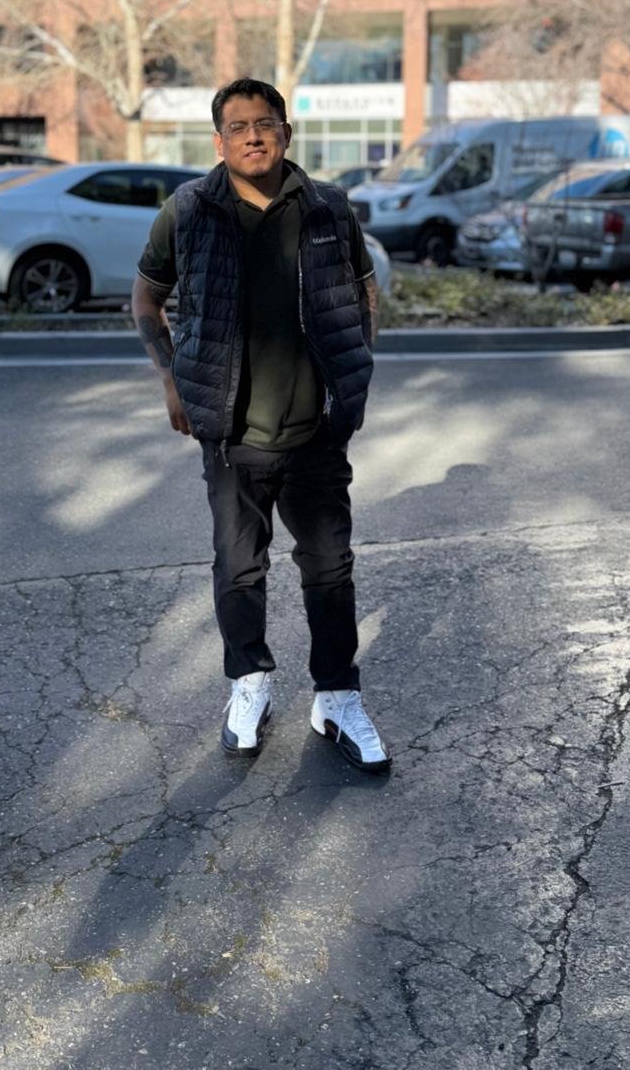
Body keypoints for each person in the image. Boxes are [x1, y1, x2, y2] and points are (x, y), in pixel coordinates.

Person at [131, 77, 390, 773]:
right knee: (238, 569)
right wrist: (171, 378)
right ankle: (249, 683)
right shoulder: (188, 210)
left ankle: (337, 697)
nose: (254, 136)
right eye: (239, 126)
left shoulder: (329, 207)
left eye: (265, 123)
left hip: (316, 432)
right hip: (233, 435)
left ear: (285, 133)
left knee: (329, 567)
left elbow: (365, 288)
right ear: (219, 142)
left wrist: (354, 372)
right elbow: (147, 299)